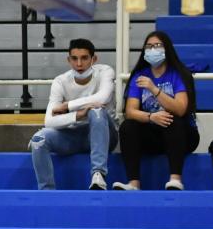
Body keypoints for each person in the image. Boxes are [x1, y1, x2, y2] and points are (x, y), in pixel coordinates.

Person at [112, 30, 199, 191]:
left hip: (182, 135)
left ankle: (175, 180)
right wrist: (151, 117)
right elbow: (130, 111)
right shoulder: (139, 75)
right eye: (149, 46)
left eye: (157, 46)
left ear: (167, 49)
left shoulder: (178, 74)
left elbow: (180, 109)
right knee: (128, 126)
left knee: (173, 120)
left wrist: (154, 89)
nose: (153, 49)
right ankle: (133, 183)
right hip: (152, 134)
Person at [28, 38, 117, 191]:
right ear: (68, 60)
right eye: (74, 59)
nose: (79, 64)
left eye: (84, 58)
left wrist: (67, 106)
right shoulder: (60, 81)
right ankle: (46, 191)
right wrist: (79, 115)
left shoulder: (105, 71)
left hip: (102, 133)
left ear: (93, 59)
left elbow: (102, 98)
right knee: (38, 140)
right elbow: (49, 121)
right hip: (72, 135)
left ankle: (98, 175)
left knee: (96, 111)